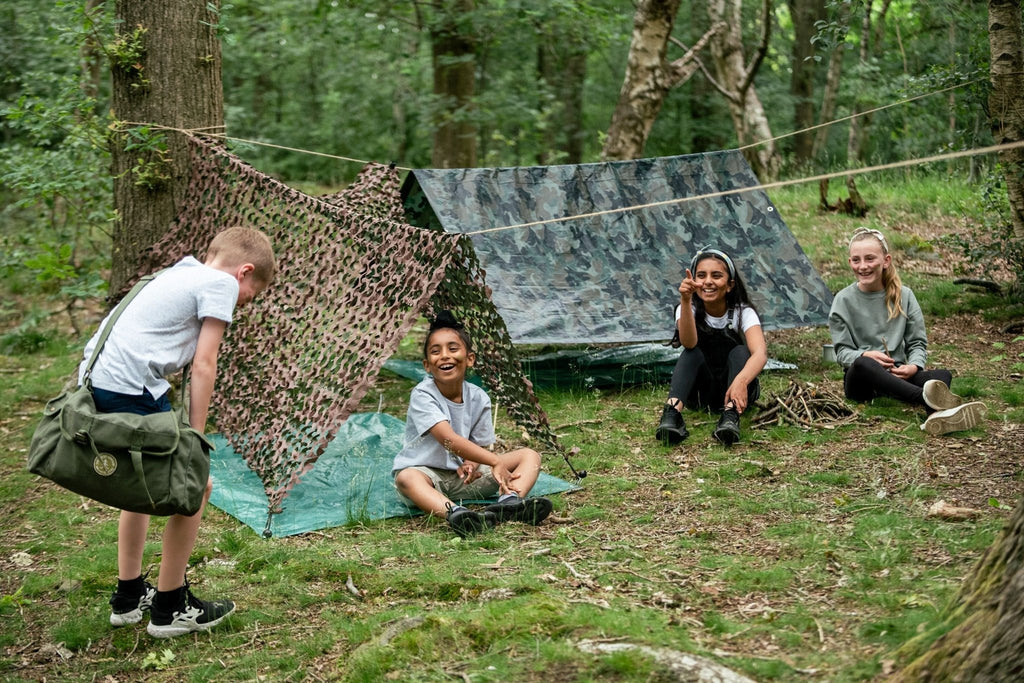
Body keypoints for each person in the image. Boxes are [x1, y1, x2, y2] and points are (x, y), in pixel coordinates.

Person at [82, 226, 276, 638]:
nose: (244, 303)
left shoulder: (179, 272)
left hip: (104, 385)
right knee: (195, 485)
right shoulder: (220, 283)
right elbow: (205, 364)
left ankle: (129, 597)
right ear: (243, 272)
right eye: (251, 295)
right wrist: (196, 439)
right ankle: (170, 607)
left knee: (140, 487)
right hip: (129, 392)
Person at [392, 310, 553, 537]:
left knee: (530, 455)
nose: (445, 356)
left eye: (453, 348)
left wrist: (471, 463)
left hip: (463, 479)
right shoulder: (423, 394)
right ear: (427, 365)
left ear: (470, 359)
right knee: (406, 478)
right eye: (436, 352)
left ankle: (509, 502)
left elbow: (479, 444)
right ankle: (456, 514)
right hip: (427, 476)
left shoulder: (479, 397)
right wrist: (494, 461)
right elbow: (448, 439)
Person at [828, 227, 985, 434]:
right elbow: (842, 353)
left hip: (898, 375)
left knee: (941, 374)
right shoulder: (843, 300)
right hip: (861, 382)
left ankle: (936, 417)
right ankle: (926, 400)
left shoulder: (905, 295)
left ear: (886, 261)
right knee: (863, 363)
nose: (863, 266)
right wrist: (865, 354)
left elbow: (917, 343)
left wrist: (914, 366)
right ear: (850, 263)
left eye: (870, 259)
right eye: (856, 260)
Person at [655, 247, 767, 446]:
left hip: (735, 390)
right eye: (701, 276)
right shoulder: (686, 308)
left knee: (741, 351)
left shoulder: (744, 312)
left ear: (730, 284)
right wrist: (686, 300)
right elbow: (688, 342)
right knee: (692, 352)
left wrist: (741, 381)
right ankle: (672, 414)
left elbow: (760, 353)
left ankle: (730, 417)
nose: (708, 282)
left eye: (716, 276)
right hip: (700, 393)